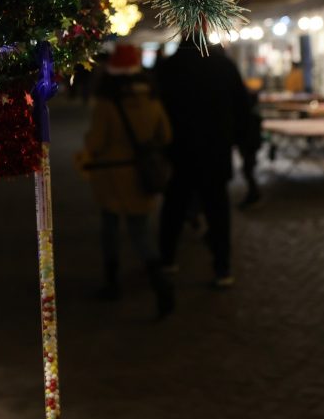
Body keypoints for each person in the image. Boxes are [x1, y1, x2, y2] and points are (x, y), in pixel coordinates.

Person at [83, 44, 175, 318]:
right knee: (140, 231)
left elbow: (96, 142)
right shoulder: (152, 98)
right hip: (140, 173)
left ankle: (112, 283)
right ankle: (161, 283)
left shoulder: (106, 102)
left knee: (109, 227)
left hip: (111, 175)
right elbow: (166, 135)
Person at [156, 36, 251, 289]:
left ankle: (167, 260)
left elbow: (157, 109)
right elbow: (243, 107)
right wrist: (236, 142)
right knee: (218, 212)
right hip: (215, 151)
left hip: (180, 151)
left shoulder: (168, 67)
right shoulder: (223, 65)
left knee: (174, 208)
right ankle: (223, 268)